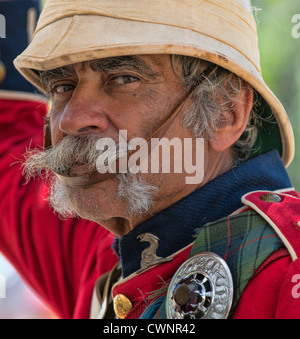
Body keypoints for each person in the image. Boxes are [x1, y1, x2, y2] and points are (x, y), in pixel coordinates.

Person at [1, 0, 300, 319]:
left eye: (123, 78)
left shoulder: (286, 274)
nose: (71, 119)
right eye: (62, 86)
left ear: (226, 112)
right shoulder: (103, 254)